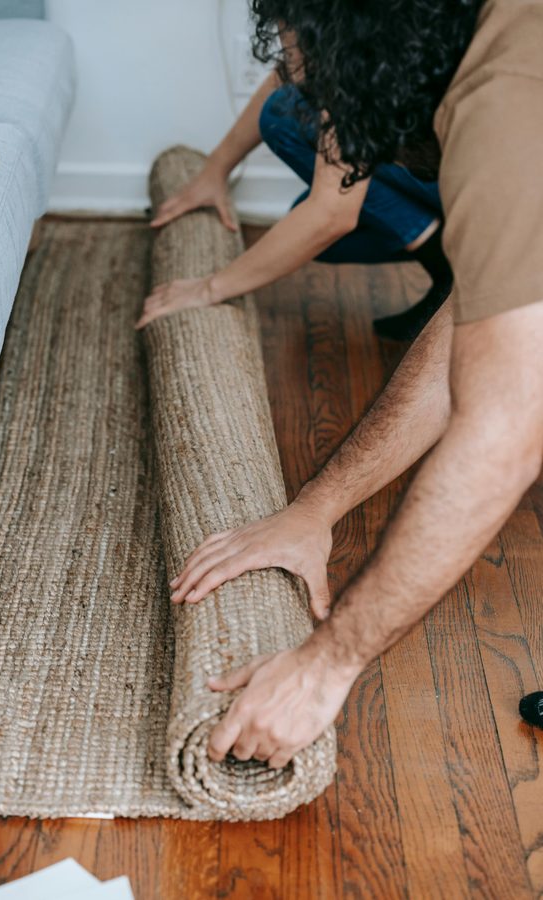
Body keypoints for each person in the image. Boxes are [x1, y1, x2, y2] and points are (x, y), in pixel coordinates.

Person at [154, 0, 543, 771]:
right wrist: (313, 510)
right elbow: (462, 338)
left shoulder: (505, 103)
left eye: (324, 88)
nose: (321, 115)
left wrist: (324, 665)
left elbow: (503, 432)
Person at [135, 69, 452, 341]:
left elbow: (331, 215)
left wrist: (209, 289)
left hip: (488, 194)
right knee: (318, 229)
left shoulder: (373, 42)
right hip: (455, 179)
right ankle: (448, 265)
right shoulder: (349, 27)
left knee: (285, 112)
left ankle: (451, 276)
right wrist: (216, 169)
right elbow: (288, 69)